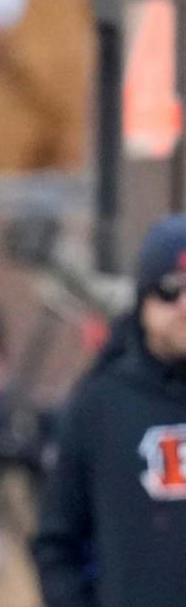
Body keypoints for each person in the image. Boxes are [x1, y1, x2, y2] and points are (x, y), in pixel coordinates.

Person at [33, 214, 186, 606]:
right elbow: (57, 544)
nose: (184, 305)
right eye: (170, 290)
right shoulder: (100, 403)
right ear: (143, 300)